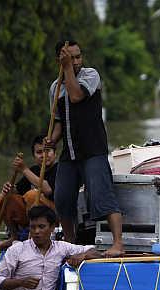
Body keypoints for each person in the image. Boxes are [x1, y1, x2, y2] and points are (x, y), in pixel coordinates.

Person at [46, 39, 124, 257]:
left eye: (78, 56)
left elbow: (76, 95)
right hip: (69, 152)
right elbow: (59, 121)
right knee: (62, 199)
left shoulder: (91, 75)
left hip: (93, 149)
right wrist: (51, 140)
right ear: (59, 60)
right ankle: (70, 243)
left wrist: (68, 68)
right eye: (71, 58)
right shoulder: (55, 88)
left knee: (102, 196)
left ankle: (118, 243)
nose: (76, 61)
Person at [0, 206, 101, 290]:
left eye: (41, 227)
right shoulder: (17, 250)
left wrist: (83, 255)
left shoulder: (62, 248)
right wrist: (20, 282)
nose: (36, 231)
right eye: (33, 227)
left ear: (53, 227)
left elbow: (97, 252)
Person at [0, 135, 58, 249]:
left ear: (55, 153)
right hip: (32, 215)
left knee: (32, 195)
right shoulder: (33, 170)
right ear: (34, 156)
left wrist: (24, 169)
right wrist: (7, 190)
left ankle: (32, 239)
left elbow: (48, 190)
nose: (44, 155)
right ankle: (15, 237)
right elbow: (17, 191)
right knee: (3, 199)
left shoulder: (60, 169)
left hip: (55, 215)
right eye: (39, 152)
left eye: (48, 151)